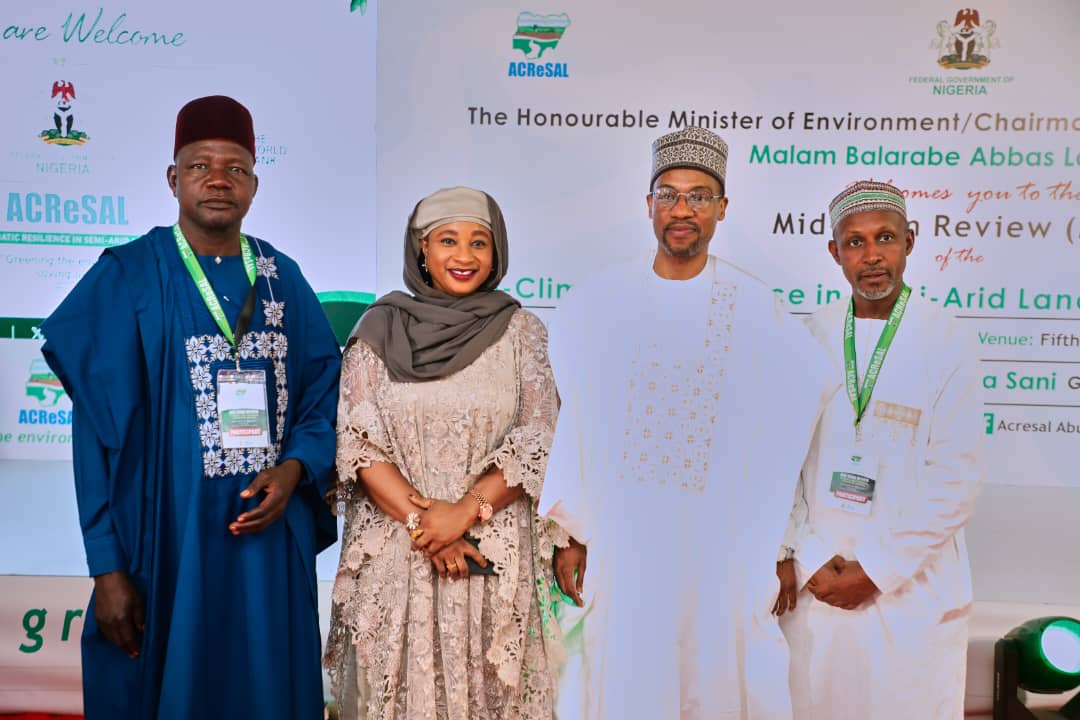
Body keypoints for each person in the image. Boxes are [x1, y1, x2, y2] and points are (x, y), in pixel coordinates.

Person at [40, 95, 341, 719]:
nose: (218, 179)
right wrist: (107, 568)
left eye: (235, 167)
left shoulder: (283, 276)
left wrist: (296, 470)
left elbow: (324, 394)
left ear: (254, 184)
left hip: (265, 547)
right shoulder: (127, 276)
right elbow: (94, 433)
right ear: (173, 178)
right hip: (165, 545)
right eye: (201, 165)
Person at [538, 126, 827, 719]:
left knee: (714, 679)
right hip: (622, 539)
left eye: (699, 196)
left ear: (722, 208)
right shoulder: (596, 303)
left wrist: (780, 542)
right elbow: (572, 421)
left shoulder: (758, 309)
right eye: (668, 195)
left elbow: (791, 429)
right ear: (648, 204)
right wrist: (570, 534)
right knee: (623, 678)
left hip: (720, 545)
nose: (682, 210)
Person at [323, 187, 562, 719]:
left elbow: (537, 432)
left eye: (480, 242)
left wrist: (464, 513)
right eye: (448, 240)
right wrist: (426, 524)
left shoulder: (522, 332)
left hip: (491, 552)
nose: (464, 255)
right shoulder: (376, 331)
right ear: (422, 249)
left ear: (496, 252)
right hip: (400, 555)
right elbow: (359, 443)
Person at [779, 181, 983, 719]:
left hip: (910, 591)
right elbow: (783, 463)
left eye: (885, 238)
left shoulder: (947, 339)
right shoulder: (810, 336)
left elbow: (954, 481)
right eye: (855, 242)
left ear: (909, 242)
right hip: (819, 584)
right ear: (834, 252)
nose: (871, 256)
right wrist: (806, 554)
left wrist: (876, 570)